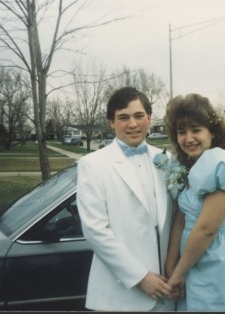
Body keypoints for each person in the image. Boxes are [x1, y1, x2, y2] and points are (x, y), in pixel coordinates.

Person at [164, 93, 225, 311]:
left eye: (196, 130)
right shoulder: (190, 165)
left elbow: (207, 229)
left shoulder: (221, 162)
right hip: (191, 260)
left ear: (213, 132)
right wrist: (171, 266)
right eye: (182, 132)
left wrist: (178, 273)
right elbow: (181, 218)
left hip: (219, 259)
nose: (188, 138)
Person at [76, 87, 174, 311]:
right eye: (123, 117)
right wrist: (141, 277)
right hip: (121, 294)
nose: (133, 124)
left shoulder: (166, 160)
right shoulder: (93, 164)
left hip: (166, 291)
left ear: (149, 118)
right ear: (111, 122)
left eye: (139, 116)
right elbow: (95, 230)